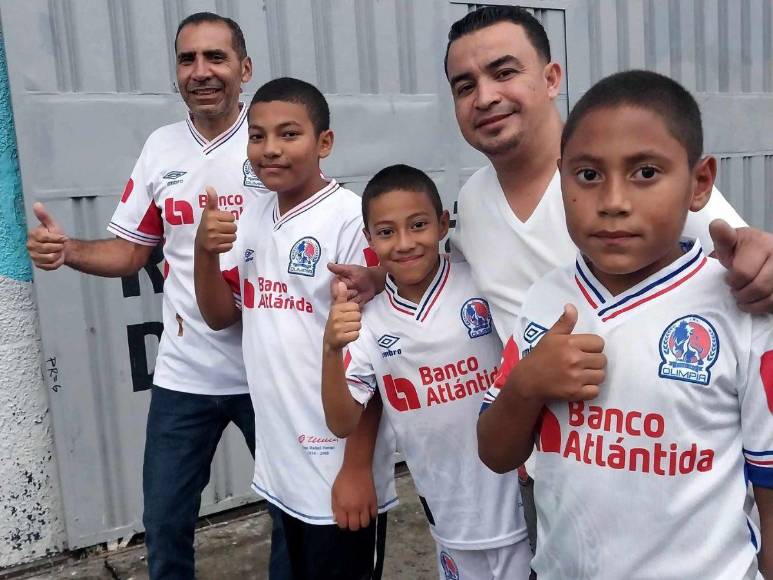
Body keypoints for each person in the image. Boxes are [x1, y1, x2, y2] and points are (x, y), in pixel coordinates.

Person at [477, 69, 773, 579]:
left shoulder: (738, 308)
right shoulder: (546, 299)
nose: (613, 201)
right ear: (561, 177)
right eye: (588, 175)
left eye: (646, 173)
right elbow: (497, 454)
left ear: (699, 182)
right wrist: (527, 385)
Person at [24, 13, 289, 579]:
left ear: (244, 69)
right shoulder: (161, 148)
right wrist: (67, 248)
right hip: (184, 375)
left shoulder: (270, 143)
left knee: (291, 518)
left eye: (216, 58)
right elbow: (130, 251)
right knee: (165, 526)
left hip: (267, 372)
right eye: (188, 59)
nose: (201, 72)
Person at [194, 77, 397, 580]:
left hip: (338, 469)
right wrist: (204, 251)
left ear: (323, 143)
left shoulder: (349, 220)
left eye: (289, 134)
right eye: (258, 136)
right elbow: (221, 315)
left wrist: (355, 470)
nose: (270, 150)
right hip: (284, 465)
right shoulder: (255, 215)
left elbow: (374, 355)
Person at [321, 164, 530, 579]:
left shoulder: (479, 282)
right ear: (369, 240)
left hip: (522, 514)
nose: (404, 243)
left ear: (442, 224)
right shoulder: (371, 320)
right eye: (386, 232)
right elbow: (342, 421)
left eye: (417, 225)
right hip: (450, 523)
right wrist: (331, 350)